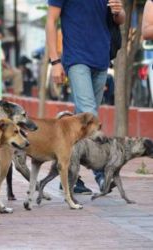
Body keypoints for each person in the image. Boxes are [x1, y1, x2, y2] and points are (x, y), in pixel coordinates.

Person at [46, 0, 125, 193]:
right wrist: (55, 60)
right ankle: (101, 173)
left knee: (81, 121)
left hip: (102, 59)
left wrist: (118, 11)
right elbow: (51, 21)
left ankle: (69, 175)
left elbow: (119, 20)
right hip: (76, 58)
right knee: (90, 116)